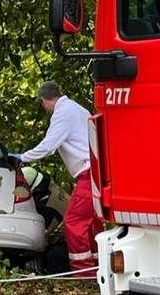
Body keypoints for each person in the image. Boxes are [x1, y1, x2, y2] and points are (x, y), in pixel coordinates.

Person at [13, 80, 101, 271]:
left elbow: (48, 146)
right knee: (92, 223)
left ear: (44, 100)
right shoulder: (79, 109)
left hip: (87, 174)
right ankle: (97, 266)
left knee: (74, 221)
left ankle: (83, 271)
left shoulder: (62, 114)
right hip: (98, 172)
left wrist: (23, 157)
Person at [21, 166, 71, 274]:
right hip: (75, 238)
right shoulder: (52, 190)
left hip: (67, 244)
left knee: (52, 256)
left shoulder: (48, 206)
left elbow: (43, 238)